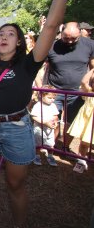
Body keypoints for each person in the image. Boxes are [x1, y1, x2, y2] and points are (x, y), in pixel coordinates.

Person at [0, 0, 94, 228]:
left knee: (15, 183)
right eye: (1, 33)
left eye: (10, 34)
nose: (4, 36)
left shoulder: (28, 62)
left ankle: (20, 227)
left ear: (19, 42)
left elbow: (51, 26)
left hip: (17, 129)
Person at [47, 21, 94, 152]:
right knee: (53, 119)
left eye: (74, 38)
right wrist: (42, 88)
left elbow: (93, 68)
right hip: (54, 91)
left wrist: (88, 88)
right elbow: (40, 69)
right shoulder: (51, 46)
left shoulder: (89, 45)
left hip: (78, 92)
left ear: (80, 33)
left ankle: (65, 146)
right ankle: (52, 146)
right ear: (61, 33)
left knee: (71, 122)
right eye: (66, 38)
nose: (69, 41)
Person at [68, 68, 94, 173]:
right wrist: (93, 69)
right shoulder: (89, 93)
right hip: (88, 124)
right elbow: (83, 82)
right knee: (84, 143)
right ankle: (82, 160)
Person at [30, 85, 59, 166]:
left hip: (50, 129)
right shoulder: (38, 105)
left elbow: (55, 115)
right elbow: (34, 117)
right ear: (42, 95)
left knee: (51, 143)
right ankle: (37, 155)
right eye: (49, 98)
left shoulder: (53, 105)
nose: (52, 100)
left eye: (53, 98)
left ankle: (50, 156)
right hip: (39, 128)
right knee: (38, 143)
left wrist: (55, 122)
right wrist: (45, 122)